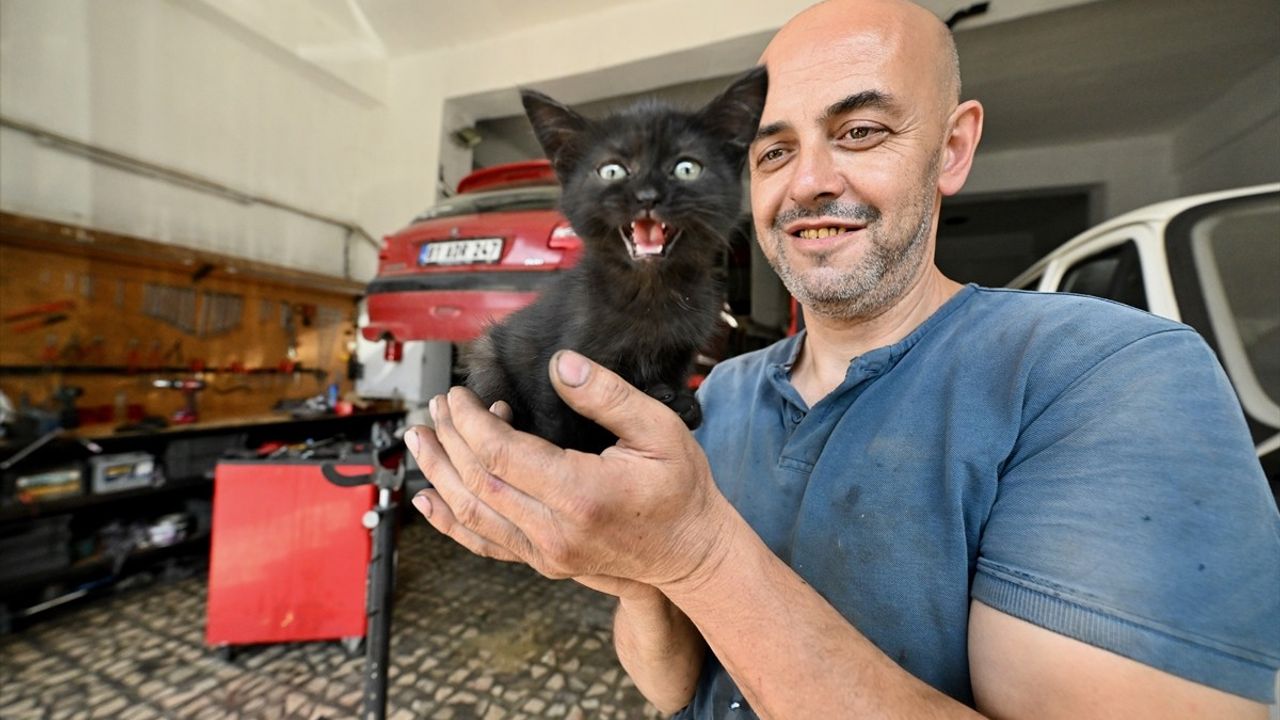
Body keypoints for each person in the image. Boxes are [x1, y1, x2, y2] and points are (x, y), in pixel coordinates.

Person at [403, 0, 1280, 716]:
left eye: (860, 130)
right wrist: (630, 572)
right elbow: (673, 688)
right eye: (775, 149)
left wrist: (696, 552)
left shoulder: (1109, 374)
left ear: (953, 146)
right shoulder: (724, 394)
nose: (810, 180)